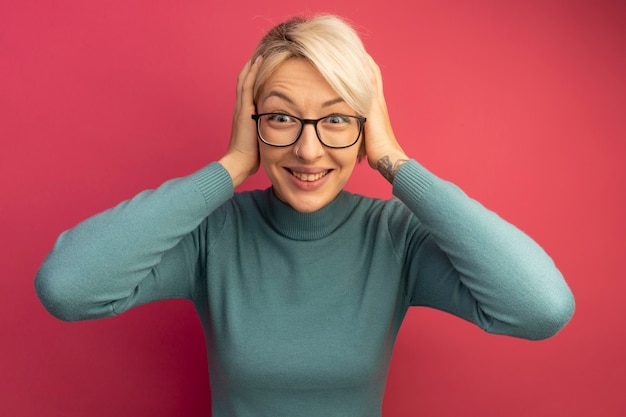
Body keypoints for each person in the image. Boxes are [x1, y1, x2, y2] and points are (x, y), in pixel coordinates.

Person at [35, 14, 574, 417]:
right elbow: (67, 287)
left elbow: (541, 308)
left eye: (337, 118)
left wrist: (395, 162)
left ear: (367, 127)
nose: (309, 151)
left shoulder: (395, 238)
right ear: (253, 122)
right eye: (281, 117)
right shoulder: (213, 235)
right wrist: (231, 165)